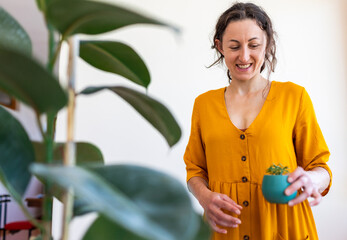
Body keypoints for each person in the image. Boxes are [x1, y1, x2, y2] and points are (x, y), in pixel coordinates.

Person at [183, 2, 332, 240]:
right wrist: (203, 196)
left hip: (285, 227)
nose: (244, 56)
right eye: (234, 46)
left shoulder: (295, 97)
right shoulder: (204, 104)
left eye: (254, 45)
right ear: (219, 46)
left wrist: (311, 179)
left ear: (267, 45)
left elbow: (321, 168)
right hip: (224, 230)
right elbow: (195, 170)